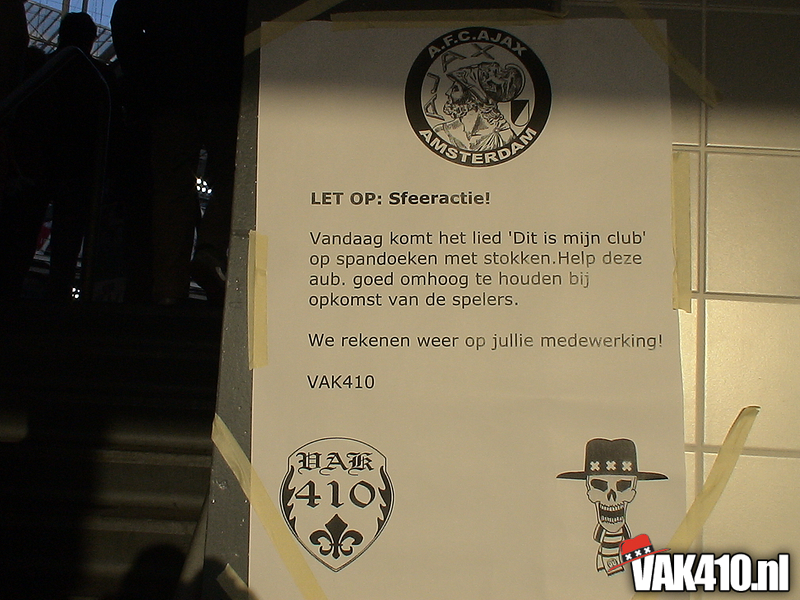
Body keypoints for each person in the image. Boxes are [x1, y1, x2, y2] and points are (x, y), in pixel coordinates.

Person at [111, 0, 246, 306]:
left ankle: (169, 287)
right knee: (237, 176)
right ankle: (211, 250)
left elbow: (125, 18)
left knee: (171, 188)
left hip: (168, 89)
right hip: (226, 85)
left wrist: (142, 76)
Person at [433, 61, 523, 152]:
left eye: (456, 89)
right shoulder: (441, 132)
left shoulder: (504, 137)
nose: (448, 93)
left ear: (473, 98)